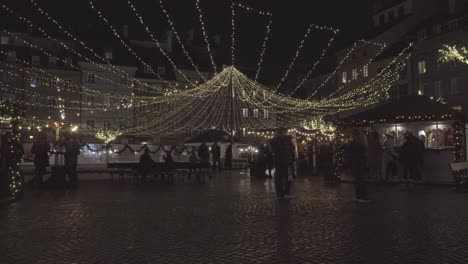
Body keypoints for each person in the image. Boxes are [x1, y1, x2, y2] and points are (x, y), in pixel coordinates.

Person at [270, 128, 295, 199]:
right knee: (288, 177)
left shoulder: (273, 141)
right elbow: (292, 148)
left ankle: (280, 193)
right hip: (286, 160)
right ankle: (286, 192)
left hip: (278, 160)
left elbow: (272, 150)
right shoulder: (287, 140)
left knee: (279, 177)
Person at [349, 129, 370, 202]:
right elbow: (360, 156)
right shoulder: (359, 145)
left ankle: (359, 196)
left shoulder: (353, 144)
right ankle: (362, 196)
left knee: (358, 181)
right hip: (359, 164)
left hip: (356, 165)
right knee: (361, 180)